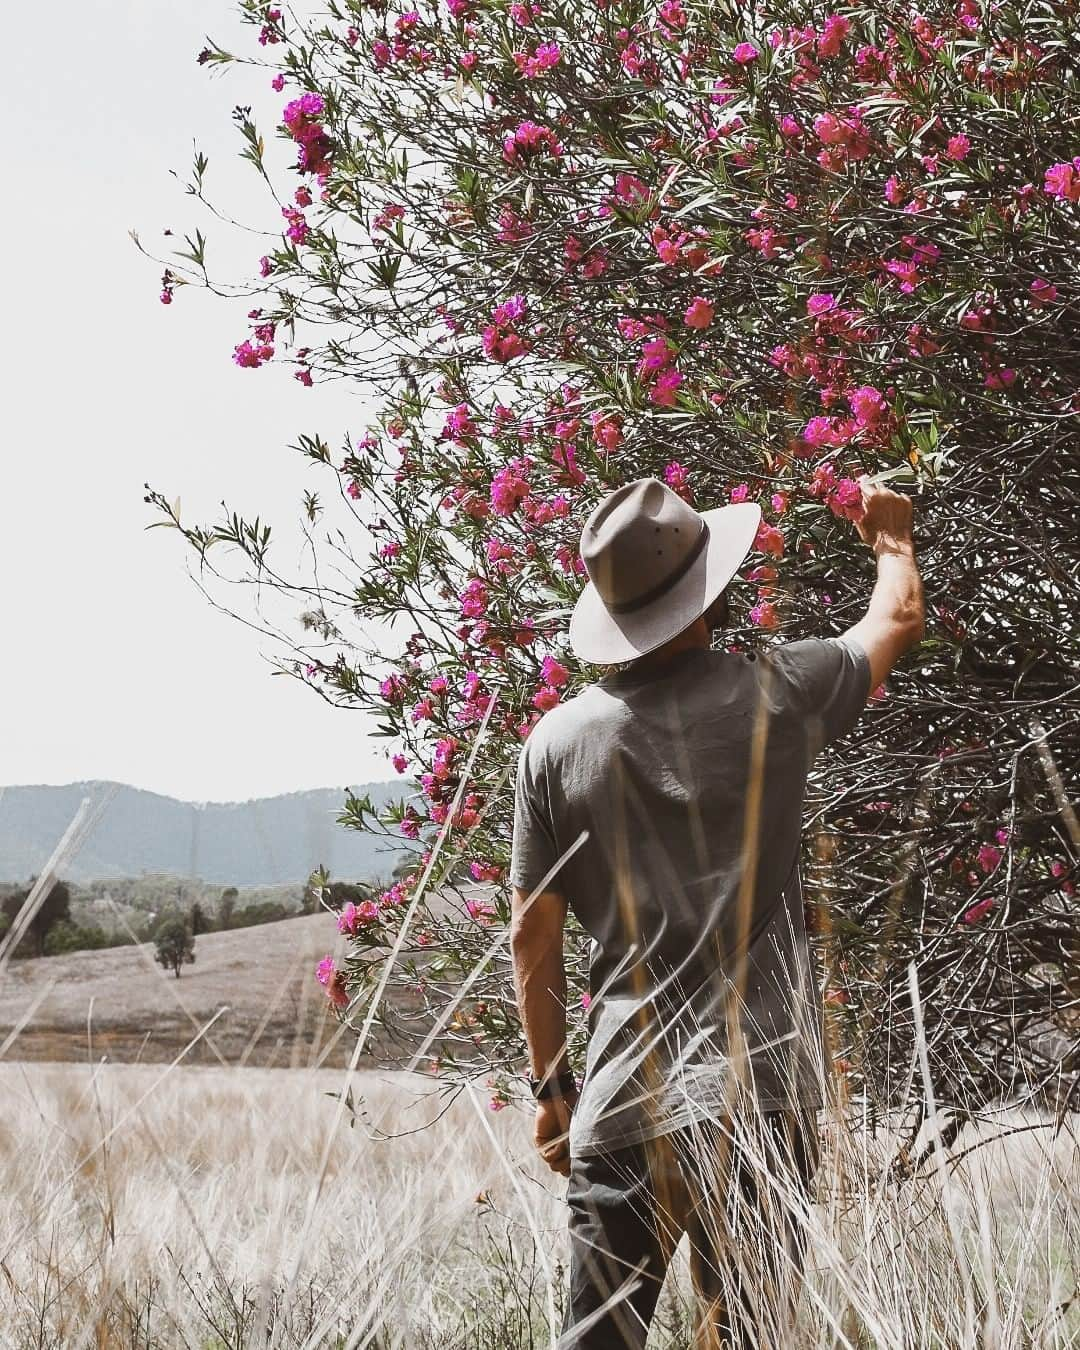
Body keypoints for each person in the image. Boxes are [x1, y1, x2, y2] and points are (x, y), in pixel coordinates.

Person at [509, 473, 925, 1348]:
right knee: (750, 1333)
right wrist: (890, 539)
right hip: (760, 1100)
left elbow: (532, 936)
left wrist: (553, 1090)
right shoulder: (779, 692)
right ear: (711, 586)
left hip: (622, 1099)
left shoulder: (555, 744)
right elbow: (896, 621)